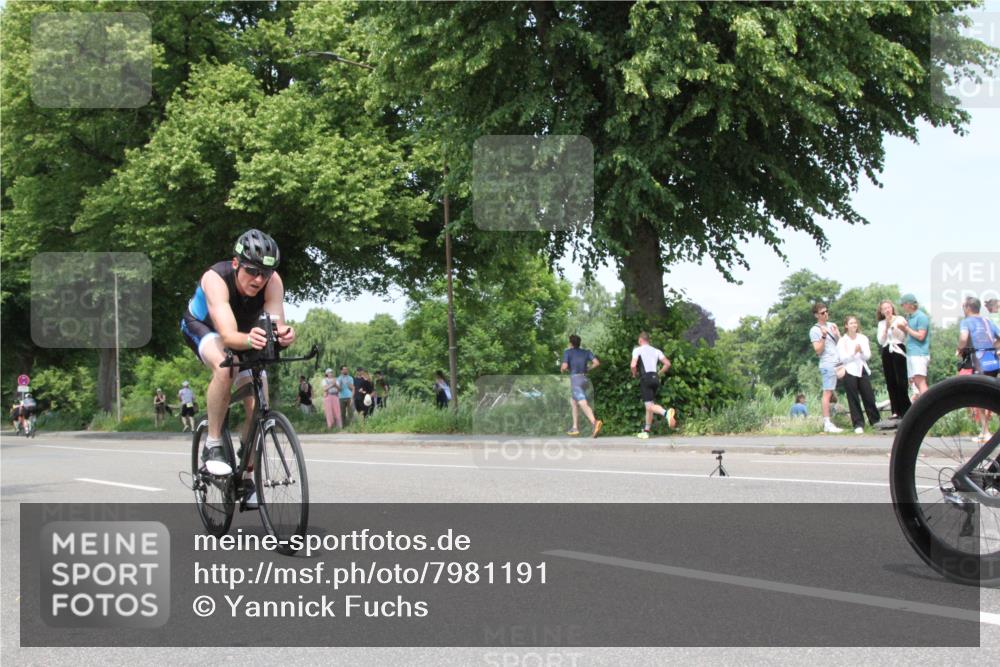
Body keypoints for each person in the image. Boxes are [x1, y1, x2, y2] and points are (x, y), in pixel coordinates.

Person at [179, 229, 296, 507]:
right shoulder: (215, 279)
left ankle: (246, 472)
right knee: (226, 367)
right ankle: (214, 443)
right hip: (205, 327)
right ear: (236, 264)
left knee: (259, 392)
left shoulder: (273, 281)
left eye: (264, 274)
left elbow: (275, 326)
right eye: (252, 271)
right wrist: (248, 339)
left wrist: (285, 335)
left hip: (243, 330)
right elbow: (229, 337)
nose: (258, 279)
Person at [957, 296, 1000, 443]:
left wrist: (960, 349)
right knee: (993, 395)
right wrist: (993, 346)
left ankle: (986, 431)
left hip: (979, 360)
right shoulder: (988, 321)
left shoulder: (966, 322)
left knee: (979, 396)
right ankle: (985, 431)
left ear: (968, 308)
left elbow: (963, 338)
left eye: (963, 306)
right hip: (993, 361)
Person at [837, 315, 881, 434]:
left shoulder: (862, 338)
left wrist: (861, 351)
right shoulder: (843, 341)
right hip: (849, 370)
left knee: (869, 396)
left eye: (855, 323)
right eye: (851, 323)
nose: (854, 325)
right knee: (853, 398)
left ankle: (875, 421)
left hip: (862, 368)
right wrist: (853, 353)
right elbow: (843, 358)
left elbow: (867, 356)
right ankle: (858, 423)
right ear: (846, 326)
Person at [630, 331, 677, 440]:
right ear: (648, 340)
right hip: (655, 379)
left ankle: (666, 413)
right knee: (649, 406)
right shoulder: (656, 351)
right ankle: (646, 431)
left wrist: (634, 374)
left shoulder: (637, 350)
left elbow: (633, 365)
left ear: (640, 340)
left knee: (650, 406)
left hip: (645, 378)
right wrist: (659, 373)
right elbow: (667, 364)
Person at [809, 302, 843, 433]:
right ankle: (827, 423)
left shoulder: (832, 325)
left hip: (839, 362)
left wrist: (837, 334)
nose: (826, 314)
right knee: (827, 392)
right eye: (822, 313)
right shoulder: (815, 330)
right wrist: (823, 336)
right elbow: (818, 350)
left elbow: (840, 344)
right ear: (816, 315)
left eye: (826, 311)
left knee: (852, 384)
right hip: (827, 363)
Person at [560, 334, 603, 437]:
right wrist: (588, 369)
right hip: (584, 379)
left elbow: (564, 366)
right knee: (574, 401)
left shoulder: (568, 352)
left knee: (582, 402)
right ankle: (575, 427)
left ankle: (594, 422)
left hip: (575, 379)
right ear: (579, 343)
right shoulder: (586, 352)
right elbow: (596, 363)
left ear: (570, 343)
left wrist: (562, 368)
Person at [875, 299, 911, 419]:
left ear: (892, 308)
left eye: (888, 307)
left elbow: (903, 336)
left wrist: (894, 327)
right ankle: (895, 410)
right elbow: (881, 341)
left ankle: (906, 409)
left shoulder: (900, 319)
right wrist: (886, 328)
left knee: (901, 380)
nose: (887, 310)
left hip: (898, 348)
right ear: (881, 311)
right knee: (890, 381)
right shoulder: (881, 323)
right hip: (887, 350)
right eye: (884, 308)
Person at [898, 294, 931, 399]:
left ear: (910, 305)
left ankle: (928, 405)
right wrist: (903, 328)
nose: (902, 306)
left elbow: (921, 336)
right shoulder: (909, 317)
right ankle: (922, 406)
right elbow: (911, 334)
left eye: (903, 304)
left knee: (920, 381)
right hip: (911, 353)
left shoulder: (921, 317)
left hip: (919, 353)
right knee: (915, 382)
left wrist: (906, 328)